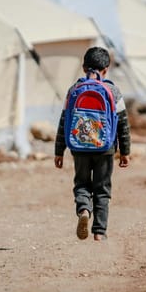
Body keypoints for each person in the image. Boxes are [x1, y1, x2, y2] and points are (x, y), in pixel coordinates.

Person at [54, 47, 131, 242]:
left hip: (78, 147)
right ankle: (99, 232)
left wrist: (59, 151)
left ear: (83, 67)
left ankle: (83, 210)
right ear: (106, 69)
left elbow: (64, 121)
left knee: (81, 183)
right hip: (105, 148)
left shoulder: (74, 90)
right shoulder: (113, 91)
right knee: (102, 187)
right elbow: (123, 123)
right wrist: (125, 151)